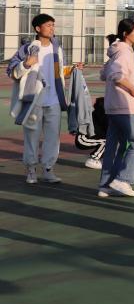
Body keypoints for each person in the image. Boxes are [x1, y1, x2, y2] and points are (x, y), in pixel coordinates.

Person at [6, 13, 79, 184]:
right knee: (31, 137)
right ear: (38, 28)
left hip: (53, 101)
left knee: (53, 138)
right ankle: (31, 170)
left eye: (53, 25)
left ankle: (48, 169)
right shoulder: (27, 49)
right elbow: (11, 72)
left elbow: (58, 72)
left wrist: (72, 69)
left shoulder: (57, 49)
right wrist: (26, 63)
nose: (52, 28)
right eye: (48, 25)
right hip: (33, 101)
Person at [98, 18, 134, 197]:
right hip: (125, 106)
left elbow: (104, 74)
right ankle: (123, 179)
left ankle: (105, 185)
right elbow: (116, 75)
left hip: (113, 107)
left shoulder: (115, 52)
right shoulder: (124, 51)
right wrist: (133, 90)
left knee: (114, 146)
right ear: (126, 34)